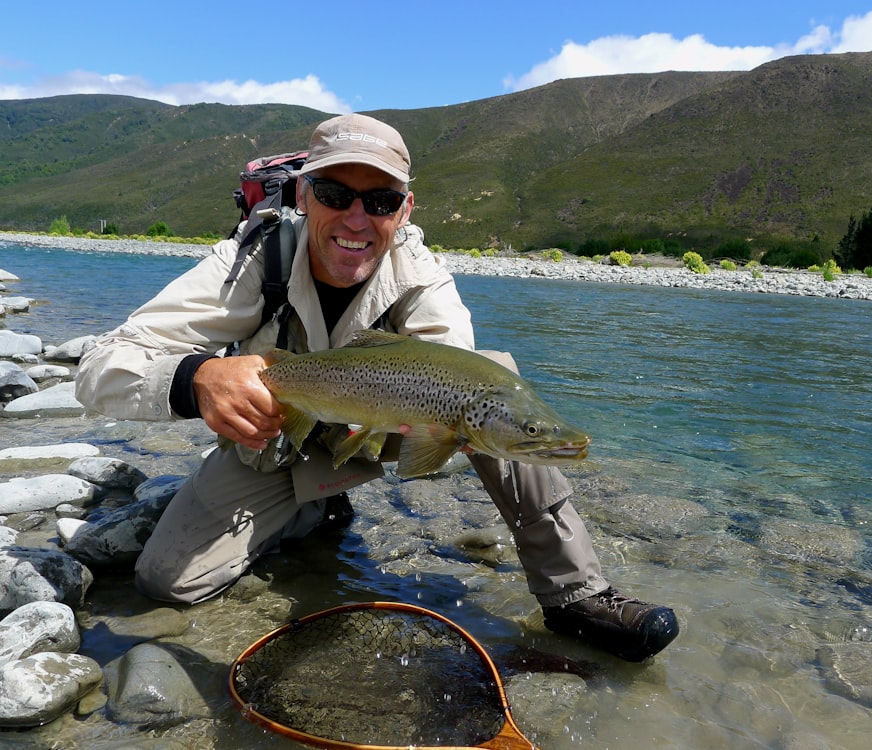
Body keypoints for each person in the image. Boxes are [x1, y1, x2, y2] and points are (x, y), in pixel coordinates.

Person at [75, 113, 679, 662]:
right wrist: (199, 377)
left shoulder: (421, 278)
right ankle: (312, 508)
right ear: (306, 196)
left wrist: (456, 433)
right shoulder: (253, 261)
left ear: (406, 208)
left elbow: (460, 370)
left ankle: (577, 593)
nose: (357, 219)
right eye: (336, 195)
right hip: (281, 434)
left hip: (384, 429)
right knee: (168, 583)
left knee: (493, 381)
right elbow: (99, 367)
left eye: (381, 200)